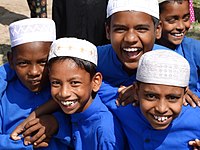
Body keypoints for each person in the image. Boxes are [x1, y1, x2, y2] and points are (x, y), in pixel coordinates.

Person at [8, 0, 199, 146]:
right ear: (107, 31)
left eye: (141, 29)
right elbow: (72, 87)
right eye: (120, 29)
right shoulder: (95, 56)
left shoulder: (168, 63)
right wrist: (40, 116)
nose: (131, 38)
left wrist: (178, 91)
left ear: (158, 30)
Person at [101, 50, 200, 149]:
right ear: (136, 91)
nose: (161, 109)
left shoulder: (196, 119)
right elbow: (90, 84)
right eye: (151, 96)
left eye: (172, 98)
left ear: (184, 94)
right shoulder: (123, 103)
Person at [0, 18, 71, 149]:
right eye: (23, 63)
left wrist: (56, 124)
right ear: (11, 60)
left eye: (43, 62)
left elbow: (82, 126)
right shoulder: (4, 96)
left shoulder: (66, 91)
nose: (34, 72)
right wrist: (25, 144)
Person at [47, 37, 126, 149]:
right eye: (56, 83)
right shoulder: (72, 112)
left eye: (74, 83)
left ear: (96, 82)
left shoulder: (104, 130)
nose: (64, 93)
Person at [156, 0, 200, 105]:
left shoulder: (193, 49)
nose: (181, 26)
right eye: (172, 20)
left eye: (186, 18)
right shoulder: (144, 51)